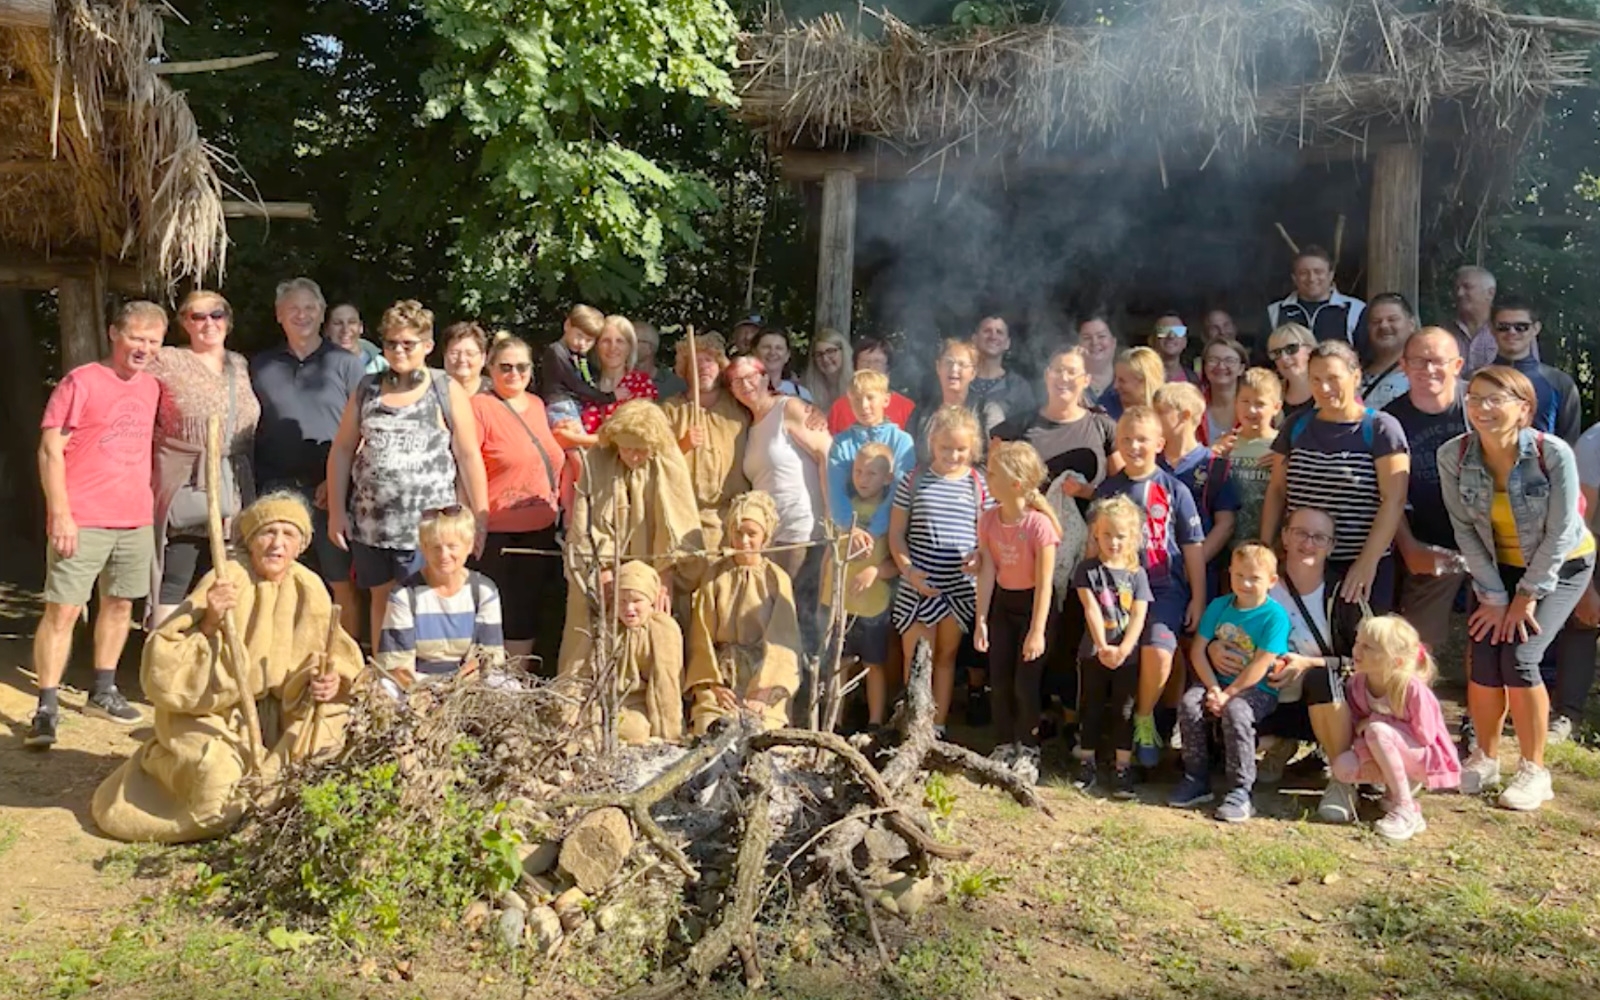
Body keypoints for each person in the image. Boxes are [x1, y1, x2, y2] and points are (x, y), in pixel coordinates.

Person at [90, 494, 362, 842]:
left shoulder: (309, 587)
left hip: (280, 714)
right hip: (212, 714)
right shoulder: (226, 579)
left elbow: (336, 657)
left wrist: (327, 680)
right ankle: (162, 773)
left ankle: (268, 795)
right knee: (215, 785)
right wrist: (210, 623)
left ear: (301, 545)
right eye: (268, 532)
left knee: (329, 739)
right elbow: (164, 661)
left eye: (288, 535)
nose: (277, 544)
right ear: (250, 541)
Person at [1440, 365, 1595, 811]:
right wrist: (1496, 596)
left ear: (1524, 409)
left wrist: (1525, 597)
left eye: (1495, 399)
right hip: (1497, 569)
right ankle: (1484, 758)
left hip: (1561, 564)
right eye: (1475, 399)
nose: (1482, 408)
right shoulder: (1454, 454)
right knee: (1485, 651)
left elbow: (1562, 531)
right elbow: (1465, 532)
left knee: (1522, 655)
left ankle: (1534, 770)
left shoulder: (1554, 453)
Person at [25, 301, 167, 747]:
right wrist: (61, 513)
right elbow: (50, 450)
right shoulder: (81, 381)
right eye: (135, 338)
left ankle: (102, 690)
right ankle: (46, 706)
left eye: (152, 341)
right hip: (83, 515)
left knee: (120, 605)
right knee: (63, 608)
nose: (143, 348)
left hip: (134, 515)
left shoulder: (152, 388)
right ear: (113, 334)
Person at [326, 299, 489, 653]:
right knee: (382, 601)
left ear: (427, 346)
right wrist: (338, 513)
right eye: (391, 343)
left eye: (408, 343)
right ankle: (386, 680)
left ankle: (427, 684)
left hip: (427, 527)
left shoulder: (444, 388)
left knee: (424, 602)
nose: (399, 350)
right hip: (372, 524)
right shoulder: (368, 388)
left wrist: (480, 515)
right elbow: (341, 450)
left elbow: (468, 454)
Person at [250, 277, 366, 640]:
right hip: (276, 489)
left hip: (332, 491)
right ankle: (276, 662)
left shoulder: (346, 364)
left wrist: (335, 483)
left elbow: (367, 430)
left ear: (321, 314)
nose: (302, 315)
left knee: (339, 582)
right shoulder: (259, 366)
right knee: (275, 578)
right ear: (279, 315)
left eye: (310, 308)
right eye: (293, 309)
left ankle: (344, 664)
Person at [1261, 340, 1409, 614]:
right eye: (1315, 379)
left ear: (1355, 377)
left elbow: (1394, 499)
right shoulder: (1296, 425)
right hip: (1301, 561)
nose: (1324, 388)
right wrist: (1267, 548)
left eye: (1333, 378)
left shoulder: (1380, 429)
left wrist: (1367, 563)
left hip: (1358, 564)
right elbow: (1277, 490)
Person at [1095, 406, 1206, 769]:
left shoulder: (1175, 490)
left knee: (1160, 653)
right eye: (1126, 439)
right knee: (1120, 660)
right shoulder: (1109, 489)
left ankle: (1145, 719)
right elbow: (1093, 546)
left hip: (1164, 589)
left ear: (1159, 443)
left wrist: (1198, 598)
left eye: (1142, 439)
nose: (1134, 446)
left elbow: (1192, 547)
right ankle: (1104, 734)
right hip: (1118, 592)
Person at [558, 400, 702, 676]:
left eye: (641, 451)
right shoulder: (598, 461)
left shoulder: (668, 461)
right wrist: (602, 568)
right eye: (626, 449)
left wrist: (666, 573)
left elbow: (679, 521)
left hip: (654, 562)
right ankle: (581, 694)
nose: (634, 457)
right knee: (589, 623)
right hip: (604, 563)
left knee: (658, 623)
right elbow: (585, 522)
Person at [1246, 506, 1367, 822]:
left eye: (1319, 537)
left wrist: (1307, 662)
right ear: (1284, 536)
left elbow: (1368, 662)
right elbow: (1228, 628)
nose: (1308, 543)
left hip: (1327, 702)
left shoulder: (1344, 593)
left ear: (1332, 546)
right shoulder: (1260, 585)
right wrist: (1221, 649)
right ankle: (1279, 747)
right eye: (1300, 533)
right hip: (1269, 693)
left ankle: (1343, 779)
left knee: (1319, 676)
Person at [147, 290, 260, 625]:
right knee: (177, 572)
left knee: (227, 575)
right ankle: (164, 657)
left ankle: (210, 662)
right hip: (188, 480)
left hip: (237, 483)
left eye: (217, 314)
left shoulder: (239, 364)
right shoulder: (166, 361)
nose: (209, 323)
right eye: (198, 316)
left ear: (229, 320)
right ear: (184, 323)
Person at [1169, 544, 1293, 823]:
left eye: (1254, 578)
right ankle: (1195, 777)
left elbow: (1262, 663)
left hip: (1256, 689)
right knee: (1190, 704)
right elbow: (1198, 650)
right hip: (1216, 683)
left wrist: (1229, 694)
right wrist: (1213, 688)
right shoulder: (1219, 606)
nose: (1245, 584)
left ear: (1272, 581)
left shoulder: (1275, 617)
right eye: (1239, 576)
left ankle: (1240, 789)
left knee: (1237, 713)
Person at [891, 405, 992, 730]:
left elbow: (987, 536)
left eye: (961, 449)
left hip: (959, 588)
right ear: (932, 442)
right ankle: (911, 724)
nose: (953, 454)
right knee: (917, 660)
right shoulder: (914, 480)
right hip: (917, 584)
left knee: (945, 660)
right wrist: (908, 572)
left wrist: (980, 556)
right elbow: (896, 534)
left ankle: (937, 727)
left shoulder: (979, 484)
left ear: (972, 447)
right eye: (946, 447)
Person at [470, 334, 568, 667]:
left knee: (526, 613)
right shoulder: (479, 408)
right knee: (496, 616)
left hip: (540, 529)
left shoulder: (539, 406)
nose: (514, 374)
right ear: (491, 368)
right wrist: (476, 522)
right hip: (497, 531)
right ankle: (490, 691)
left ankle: (516, 691)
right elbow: (469, 467)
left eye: (522, 367)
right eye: (505, 367)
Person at [974, 441, 1062, 785]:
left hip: (1034, 609)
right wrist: (981, 619)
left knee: (1025, 683)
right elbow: (987, 571)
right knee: (999, 679)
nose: (987, 478)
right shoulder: (989, 519)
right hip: (1003, 607)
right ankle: (1003, 745)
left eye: (993, 474)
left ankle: (1029, 748)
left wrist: (1037, 630)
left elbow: (1045, 585)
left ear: (1015, 483)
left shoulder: (1040, 526)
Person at [1330, 616, 1461, 841]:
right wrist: (1367, 752)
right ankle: (1393, 789)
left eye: (1368, 647)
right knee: (1342, 766)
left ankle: (1406, 807)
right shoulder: (1357, 684)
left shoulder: (1411, 689)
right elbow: (1358, 727)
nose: (1356, 650)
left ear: (1396, 661)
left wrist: (1379, 723)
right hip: (1382, 749)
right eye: (1357, 643)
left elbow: (1426, 735)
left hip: (1423, 757)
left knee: (1377, 731)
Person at [1384, 328, 1470, 658]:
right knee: (1416, 645)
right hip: (1428, 540)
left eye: (1436, 360)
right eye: (1418, 361)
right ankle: (1413, 706)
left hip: (1489, 539)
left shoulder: (1480, 404)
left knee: (1492, 637)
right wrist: (1410, 548)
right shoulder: (1391, 420)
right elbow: (1387, 494)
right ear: (1403, 366)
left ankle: (1485, 708)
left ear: (1458, 364)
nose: (1428, 369)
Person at [686, 491, 802, 733]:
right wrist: (714, 686)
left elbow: (784, 643)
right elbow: (701, 638)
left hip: (762, 676)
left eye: (752, 534)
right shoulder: (714, 576)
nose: (744, 541)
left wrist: (764, 690)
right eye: (738, 533)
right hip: (722, 674)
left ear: (765, 537)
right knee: (711, 728)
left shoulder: (776, 579)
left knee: (762, 731)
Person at [1070, 496, 1151, 798]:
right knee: (1090, 707)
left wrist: (1124, 649)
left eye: (1120, 536)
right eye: (1107, 535)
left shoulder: (1137, 575)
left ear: (1132, 537)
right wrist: (1103, 646)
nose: (1113, 542)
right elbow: (1091, 609)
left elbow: (1139, 615)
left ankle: (1122, 767)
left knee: (1124, 711)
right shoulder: (1087, 571)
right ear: (1096, 535)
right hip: (1094, 653)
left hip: (1127, 657)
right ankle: (1087, 762)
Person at [376, 505, 505, 692]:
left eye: (452, 546)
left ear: (469, 546)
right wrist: (424, 693)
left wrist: (459, 687)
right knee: (386, 687)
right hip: (418, 682)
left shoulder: (484, 591)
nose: (444, 555)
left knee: (507, 684)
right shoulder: (404, 595)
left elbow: (489, 656)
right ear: (424, 549)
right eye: (436, 547)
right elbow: (397, 665)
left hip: (469, 682)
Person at [728, 354, 831, 586]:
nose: (745, 385)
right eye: (736, 381)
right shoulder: (748, 425)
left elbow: (826, 454)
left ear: (765, 378)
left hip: (800, 533)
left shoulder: (789, 408)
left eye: (751, 377)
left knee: (798, 613)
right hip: (768, 536)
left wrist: (832, 514)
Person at [661, 332, 751, 593]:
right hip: (687, 520)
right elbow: (654, 464)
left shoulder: (739, 406)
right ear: (684, 370)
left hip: (732, 520)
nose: (703, 367)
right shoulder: (670, 411)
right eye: (695, 363)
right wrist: (683, 445)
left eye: (709, 361)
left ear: (721, 366)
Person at [822, 444, 900, 729]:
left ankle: (875, 722)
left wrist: (874, 571)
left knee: (874, 665)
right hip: (839, 604)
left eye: (871, 473)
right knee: (839, 664)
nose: (863, 479)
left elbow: (897, 563)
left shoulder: (890, 513)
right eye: (858, 471)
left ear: (888, 478)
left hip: (873, 605)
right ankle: (835, 722)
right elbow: (829, 554)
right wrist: (823, 590)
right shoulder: (843, 510)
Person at [1154, 382, 1237, 580]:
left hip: (1199, 574)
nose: (1153, 420)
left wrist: (1194, 565)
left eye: (1160, 413)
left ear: (1185, 416)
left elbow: (1225, 524)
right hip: (1153, 572)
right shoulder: (1151, 462)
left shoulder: (1214, 466)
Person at [827, 370, 916, 544]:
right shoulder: (841, 442)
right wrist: (852, 529)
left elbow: (900, 490)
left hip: (889, 533)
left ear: (886, 399)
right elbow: (836, 490)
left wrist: (874, 531)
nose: (864, 406)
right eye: (857, 399)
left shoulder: (902, 441)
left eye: (870, 398)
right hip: (850, 533)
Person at [603, 561, 686, 743]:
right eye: (622, 601)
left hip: (640, 704)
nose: (629, 609)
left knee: (636, 730)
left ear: (651, 601)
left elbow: (667, 684)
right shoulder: (606, 629)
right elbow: (581, 670)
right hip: (605, 701)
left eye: (636, 601)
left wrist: (669, 733)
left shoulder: (663, 629)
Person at [1486, 297, 1580, 444]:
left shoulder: (1559, 382)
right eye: (1503, 326)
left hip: (1543, 465)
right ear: (1492, 329)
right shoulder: (1474, 380)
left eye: (1521, 327)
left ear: (1536, 329)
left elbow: (1569, 442)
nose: (1512, 332)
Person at [1215, 368, 1282, 555]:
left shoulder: (1281, 448)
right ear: (1235, 402)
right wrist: (1211, 458)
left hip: (1268, 542)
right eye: (1245, 401)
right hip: (1226, 545)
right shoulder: (1225, 444)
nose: (1251, 409)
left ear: (1276, 407)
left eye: (1260, 403)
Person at [568, 315, 660, 443]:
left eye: (620, 341)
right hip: (589, 462)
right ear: (596, 347)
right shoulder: (586, 384)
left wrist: (576, 439)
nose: (613, 347)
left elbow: (637, 436)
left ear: (629, 347)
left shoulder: (640, 383)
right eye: (606, 341)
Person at [912, 339, 1005, 461]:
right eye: (949, 362)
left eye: (962, 364)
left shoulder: (988, 412)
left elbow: (1000, 460)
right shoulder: (922, 411)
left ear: (973, 373)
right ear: (938, 367)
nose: (954, 369)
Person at [1265, 245, 1367, 348]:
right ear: (1294, 278)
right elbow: (1262, 359)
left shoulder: (1355, 310)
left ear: (1331, 275)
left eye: (1318, 272)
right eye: (1304, 273)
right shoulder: (1275, 312)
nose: (1312, 278)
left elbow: (1365, 358)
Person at [539, 305, 612, 427]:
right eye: (579, 336)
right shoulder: (557, 351)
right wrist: (608, 397)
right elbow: (576, 384)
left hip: (573, 405)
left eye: (589, 341)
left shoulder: (577, 356)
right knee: (577, 443)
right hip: (561, 405)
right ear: (567, 325)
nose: (582, 343)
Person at [828, 338, 915, 434]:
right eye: (864, 361)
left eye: (877, 362)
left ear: (888, 369)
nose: (870, 367)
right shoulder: (839, 407)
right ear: (855, 368)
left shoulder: (907, 408)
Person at [969, 316, 1037, 422]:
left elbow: (1028, 429)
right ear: (974, 339)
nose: (993, 336)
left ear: (1007, 343)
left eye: (999, 332)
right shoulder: (959, 381)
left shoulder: (1019, 388)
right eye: (987, 331)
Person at [1359, 293, 1415, 410]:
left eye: (1392, 319)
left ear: (1411, 325)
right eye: (1376, 321)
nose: (1384, 326)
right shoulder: (1355, 373)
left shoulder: (1420, 374)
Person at [1454, 265, 1511, 374]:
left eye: (1467, 287)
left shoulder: (1513, 330)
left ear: (1490, 293)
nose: (1459, 293)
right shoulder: (1444, 331)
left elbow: (1526, 373)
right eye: (1457, 288)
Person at [1199, 338, 1249, 445]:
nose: (1221, 366)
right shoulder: (1193, 406)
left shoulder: (1256, 406)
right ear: (1204, 366)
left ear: (1241, 368)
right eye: (1213, 360)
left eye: (1229, 360)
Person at [1265, 322, 1316, 422]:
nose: (1284, 357)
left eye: (1291, 349)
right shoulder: (1270, 395)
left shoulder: (1328, 390)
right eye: (1276, 353)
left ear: (1310, 350)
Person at [1100, 346, 1164, 423]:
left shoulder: (1167, 411)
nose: (1115, 386)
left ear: (1143, 382)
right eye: (1115, 378)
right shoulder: (1106, 407)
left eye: (1122, 381)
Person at [801, 327, 854, 417]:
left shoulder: (857, 384)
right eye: (819, 354)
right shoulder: (806, 387)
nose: (825, 359)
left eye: (830, 351)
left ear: (843, 351)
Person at [753, 328, 814, 402]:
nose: (772, 352)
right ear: (754, 352)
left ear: (787, 356)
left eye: (779, 348)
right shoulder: (743, 391)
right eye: (766, 347)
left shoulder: (802, 394)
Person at [633, 321, 688, 400]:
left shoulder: (674, 385)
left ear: (649, 348)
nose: (626, 346)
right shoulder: (616, 379)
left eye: (634, 341)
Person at [325, 302, 385, 373]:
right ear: (326, 329)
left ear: (361, 327)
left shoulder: (383, 366)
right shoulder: (315, 368)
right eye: (338, 323)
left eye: (352, 322)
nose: (345, 330)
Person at [1076, 315, 1118, 404]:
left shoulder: (1127, 386)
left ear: (1113, 343)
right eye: (1086, 338)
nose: (1094, 342)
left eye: (1101, 336)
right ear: (1078, 346)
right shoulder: (1071, 388)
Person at [440, 320, 490, 395]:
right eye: (454, 353)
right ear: (444, 356)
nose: (462, 359)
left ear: (483, 358)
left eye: (470, 354)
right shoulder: (433, 393)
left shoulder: (496, 392)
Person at [1149, 312, 1195, 385]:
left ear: (1185, 341)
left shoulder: (1194, 380)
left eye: (1179, 331)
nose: (1171, 336)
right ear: (1152, 340)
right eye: (1163, 331)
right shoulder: (1141, 378)